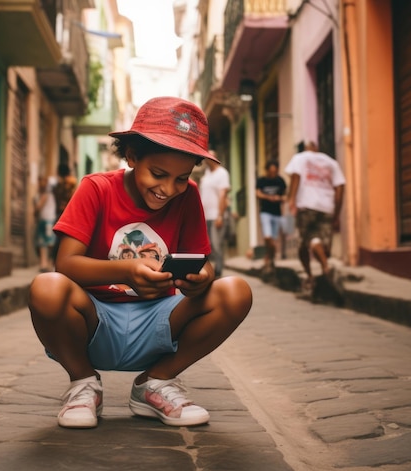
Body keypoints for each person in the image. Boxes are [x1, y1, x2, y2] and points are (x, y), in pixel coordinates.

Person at [28, 96, 252, 429]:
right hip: (94, 320)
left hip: (161, 321)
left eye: (181, 178)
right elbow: (66, 264)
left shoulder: (188, 196)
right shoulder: (95, 188)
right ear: (132, 156)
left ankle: (156, 382)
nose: (169, 189)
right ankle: (83, 383)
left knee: (236, 291)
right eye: (158, 174)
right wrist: (126, 271)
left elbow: (204, 263)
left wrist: (201, 278)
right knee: (45, 287)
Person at [285, 141, 345, 293]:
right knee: (320, 243)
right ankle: (325, 268)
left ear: (307, 148)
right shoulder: (331, 162)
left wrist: (291, 199)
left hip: (307, 206)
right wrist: (336, 213)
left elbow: (296, 176)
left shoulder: (300, 157)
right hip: (326, 208)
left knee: (305, 243)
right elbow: (340, 188)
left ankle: (314, 273)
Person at [199, 151, 231, 278]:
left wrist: (220, 216)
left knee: (217, 245)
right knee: (208, 245)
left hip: (216, 215)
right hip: (205, 216)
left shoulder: (222, 173)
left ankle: (218, 271)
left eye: (210, 157)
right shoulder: (206, 174)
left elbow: (223, 195)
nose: (207, 159)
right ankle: (211, 271)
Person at [255, 160, 286, 271]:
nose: (273, 173)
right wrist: (269, 197)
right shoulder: (261, 181)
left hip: (277, 214)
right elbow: (257, 194)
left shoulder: (280, 181)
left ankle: (270, 259)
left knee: (273, 240)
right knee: (268, 238)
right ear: (267, 170)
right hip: (265, 212)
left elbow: (286, 196)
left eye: (275, 171)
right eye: (271, 171)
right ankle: (269, 257)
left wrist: (279, 198)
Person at [34, 175, 58, 273]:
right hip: (48, 220)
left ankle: (46, 264)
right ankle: (46, 264)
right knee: (46, 243)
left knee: (46, 243)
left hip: (46, 220)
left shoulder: (46, 194)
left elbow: (39, 207)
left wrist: (35, 209)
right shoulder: (51, 195)